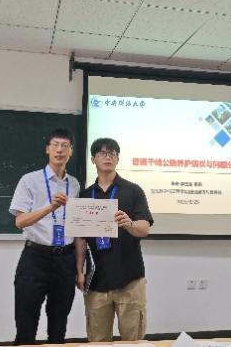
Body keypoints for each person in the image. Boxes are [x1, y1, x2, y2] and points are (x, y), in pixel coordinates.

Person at [75, 137, 153, 342]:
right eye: (102, 153)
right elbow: (80, 238)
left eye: (112, 153)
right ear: (93, 159)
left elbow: (144, 228)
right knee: (98, 340)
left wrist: (129, 224)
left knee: (133, 341)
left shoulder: (133, 190)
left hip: (130, 279)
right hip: (97, 279)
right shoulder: (84, 196)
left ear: (118, 158)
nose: (108, 157)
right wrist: (79, 270)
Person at [9, 128, 80, 345]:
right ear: (47, 149)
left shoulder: (74, 185)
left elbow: (77, 228)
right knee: (26, 323)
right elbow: (20, 221)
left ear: (71, 151)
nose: (60, 150)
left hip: (65, 260)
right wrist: (50, 207)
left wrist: (79, 269)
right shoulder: (30, 180)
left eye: (65, 146)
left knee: (59, 325)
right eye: (55, 145)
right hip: (35, 258)